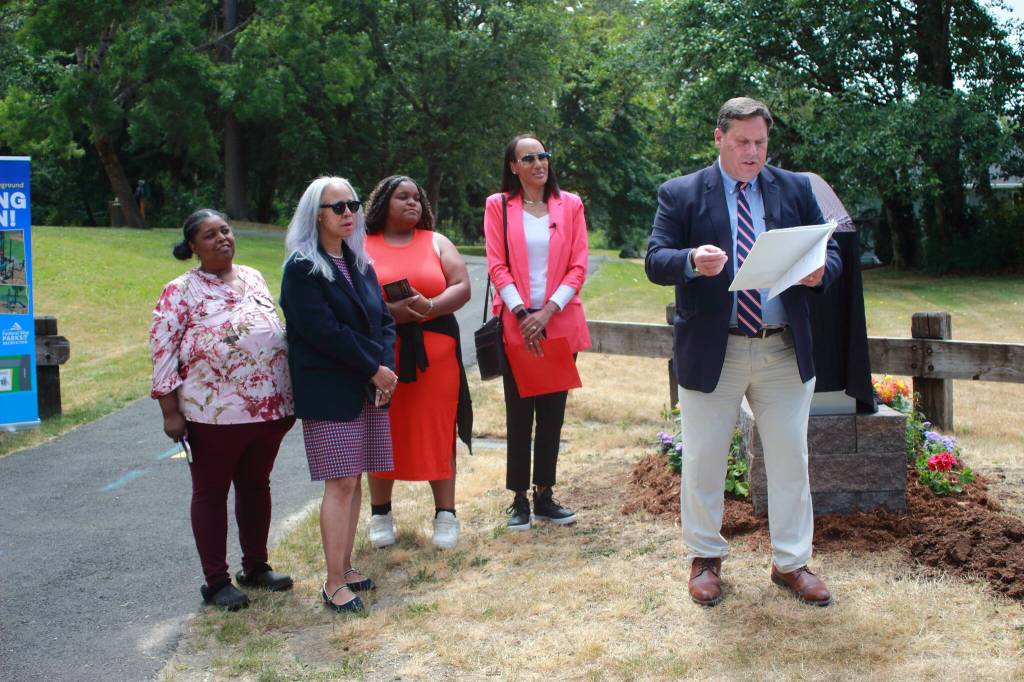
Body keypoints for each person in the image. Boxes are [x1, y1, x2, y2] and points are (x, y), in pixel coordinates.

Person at [645, 97, 842, 608]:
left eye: (760, 142)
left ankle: (791, 562)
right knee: (705, 460)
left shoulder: (796, 188)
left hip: (782, 349)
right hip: (716, 350)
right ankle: (705, 558)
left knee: (790, 460)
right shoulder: (682, 192)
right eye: (742, 142)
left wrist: (823, 271)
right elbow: (654, 259)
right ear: (719, 137)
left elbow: (833, 249)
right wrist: (690, 259)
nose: (753, 152)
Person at [150, 209, 295, 611]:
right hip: (212, 416)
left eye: (225, 230)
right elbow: (162, 353)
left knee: (256, 487)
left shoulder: (253, 276)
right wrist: (170, 412)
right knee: (211, 493)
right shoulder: (179, 290)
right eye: (210, 235)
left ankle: (256, 567)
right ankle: (216, 582)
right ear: (193, 247)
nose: (221, 238)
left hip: (269, 410)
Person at [280, 176, 398, 614]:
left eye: (352, 205)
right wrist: (374, 368)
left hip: (367, 385)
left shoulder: (359, 262)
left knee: (357, 477)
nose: (348, 213)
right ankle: (332, 582)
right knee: (341, 481)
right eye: (337, 207)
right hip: (331, 387)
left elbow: (383, 321)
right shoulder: (302, 267)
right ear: (317, 215)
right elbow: (323, 332)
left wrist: (383, 371)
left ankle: (346, 567)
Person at [484, 134, 591, 531]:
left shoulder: (571, 205)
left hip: (558, 322)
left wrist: (545, 313)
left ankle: (544, 494)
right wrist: (521, 311)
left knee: (552, 414)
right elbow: (497, 265)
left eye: (543, 155)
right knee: (518, 413)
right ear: (514, 166)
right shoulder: (499, 206)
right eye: (528, 158)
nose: (538, 163)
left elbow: (578, 266)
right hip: (517, 323)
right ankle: (518, 499)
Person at [362, 176, 473, 550]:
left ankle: (446, 514)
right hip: (383, 353)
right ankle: (380, 513)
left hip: (436, 354)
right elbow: (348, 298)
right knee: (382, 428)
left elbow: (461, 285)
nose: (412, 203)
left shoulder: (436, 241)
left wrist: (431, 307)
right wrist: (387, 313)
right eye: (402, 197)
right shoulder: (360, 246)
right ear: (382, 204)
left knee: (438, 428)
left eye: (417, 198)